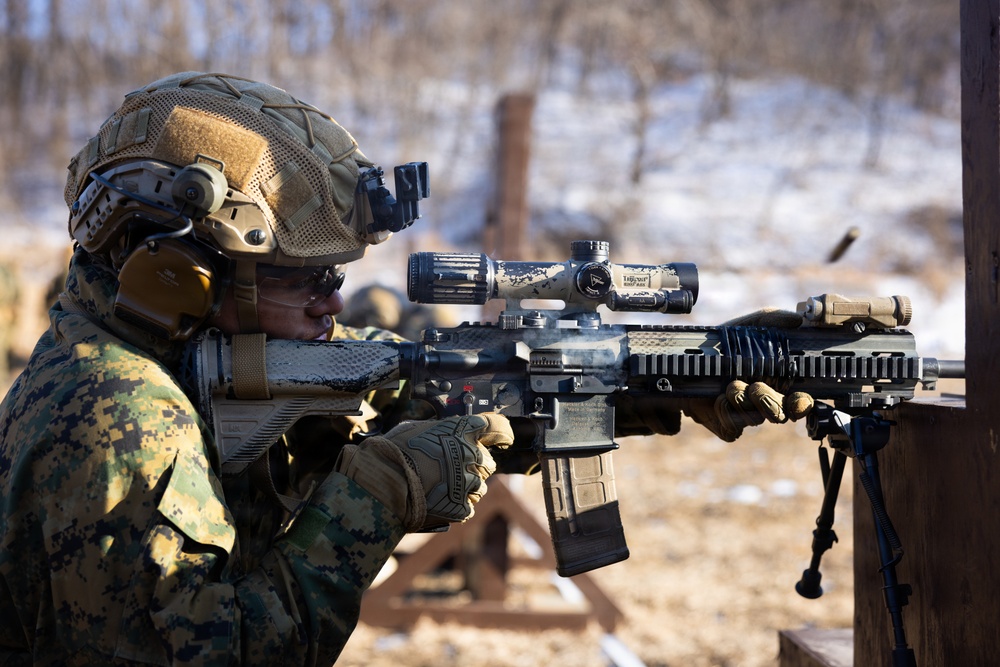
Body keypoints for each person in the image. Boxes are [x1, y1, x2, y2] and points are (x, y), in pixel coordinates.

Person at [0, 71, 809, 665]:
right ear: (179, 272)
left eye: (336, 275)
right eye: (305, 278)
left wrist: (665, 382)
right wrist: (375, 496)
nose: (332, 300)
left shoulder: (187, 357)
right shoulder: (117, 420)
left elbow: (420, 388)